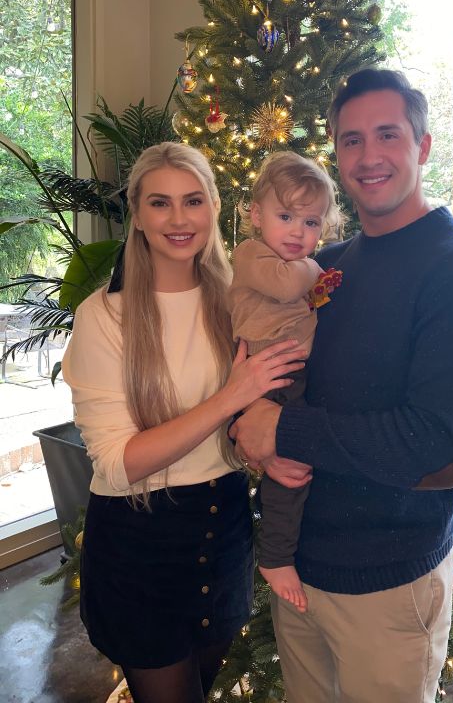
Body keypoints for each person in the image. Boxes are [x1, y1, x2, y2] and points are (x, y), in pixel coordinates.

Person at [230, 68, 453, 703]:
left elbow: (438, 451)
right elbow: (251, 377)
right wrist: (247, 432)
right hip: (298, 572)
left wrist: (280, 429)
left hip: (389, 591)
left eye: (387, 134)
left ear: (422, 145)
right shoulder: (319, 270)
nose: (368, 155)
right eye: (351, 140)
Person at [61, 142, 307, 703]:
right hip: (138, 539)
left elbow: (258, 412)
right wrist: (230, 397)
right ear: (138, 216)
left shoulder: (238, 302)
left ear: (214, 207)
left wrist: (266, 448)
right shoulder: (105, 315)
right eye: (159, 203)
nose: (178, 219)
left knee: (201, 686)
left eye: (192, 201)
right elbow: (118, 465)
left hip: (222, 529)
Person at [228, 151, 343, 613]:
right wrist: (316, 269)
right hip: (267, 370)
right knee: (288, 470)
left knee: (293, 467)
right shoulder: (253, 253)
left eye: (312, 222)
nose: (299, 232)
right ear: (256, 216)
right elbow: (282, 286)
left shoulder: (293, 262)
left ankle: (278, 547)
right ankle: (274, 556)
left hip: (288, 371)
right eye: (286, 216)